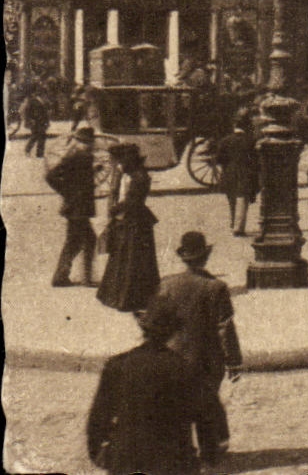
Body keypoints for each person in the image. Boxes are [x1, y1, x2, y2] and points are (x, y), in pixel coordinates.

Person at [152, 231, 242, 465]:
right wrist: (233, 361)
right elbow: (225, 327)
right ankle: (210, 454)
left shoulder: (167, 284)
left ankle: (182, 454)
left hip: (173, 359)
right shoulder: (216, 287)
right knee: (205, 407)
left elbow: (154, 322)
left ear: (184, 257)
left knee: (177, 407)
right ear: (206, 256)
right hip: (206, 361)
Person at [86, 300, 204, 475]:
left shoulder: (117, 365)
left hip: (125, 459)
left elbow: (99, 417)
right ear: (173, 332)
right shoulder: (184, 369)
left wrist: (98, 453)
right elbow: (206, 417)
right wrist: (208, 456)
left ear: (144, 330)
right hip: (173, 461)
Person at [98, 143, 160, 312]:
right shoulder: (128, 174)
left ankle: (130, 299)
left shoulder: (140, 177)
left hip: (136, 222)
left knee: (133, 260)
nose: (119, 165)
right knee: (123, 258)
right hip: (127, 221)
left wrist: (115, 209)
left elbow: (133, 201)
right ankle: (118, 296)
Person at [48, 125, 100, 287]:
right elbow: (51, 176)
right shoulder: (80, 155)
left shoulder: (78, 155)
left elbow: (75, 177)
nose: (91, 145)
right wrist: (67, 192)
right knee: (85, 240)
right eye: (89, 143)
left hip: (76, 206)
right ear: (84, 143)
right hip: (78, 207)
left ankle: (65, 275)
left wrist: (93, 171)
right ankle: (79, 277)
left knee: (77, 240)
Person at [212, 115, 260, 236]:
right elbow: (256, 160)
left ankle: (233, 223)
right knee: (243, 200)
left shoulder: (225, 140)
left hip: (230, 172)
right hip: (246, 173)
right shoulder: (251, 141)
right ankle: (239, 228)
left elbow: (218, 159)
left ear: (234, 127)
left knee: (232, 199)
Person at [22, 84, 51, 158]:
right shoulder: (33, 101)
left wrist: (47, 122)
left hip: (42, 122)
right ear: (41, 94)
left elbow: (46, 113)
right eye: (44, 94)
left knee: (42, 137)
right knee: (35, 136)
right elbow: (27, 111)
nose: (45, 96)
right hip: (35, 122)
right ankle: (27, 149)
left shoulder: (43, 102)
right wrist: (29, 120)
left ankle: (40, 153)